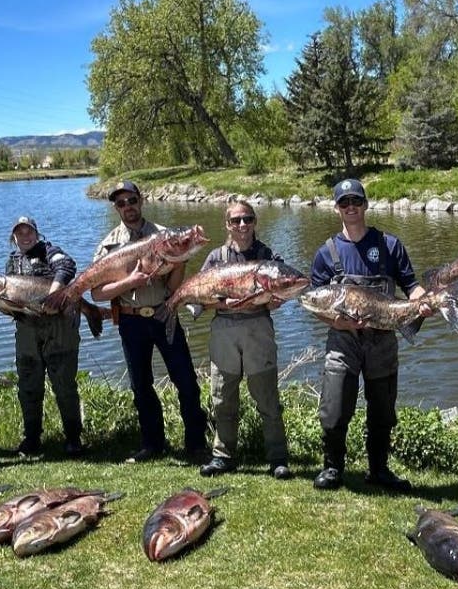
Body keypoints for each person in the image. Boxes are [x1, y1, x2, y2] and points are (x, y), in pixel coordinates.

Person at [310, 179, 432, 492]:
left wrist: (424, 302)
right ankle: (333, 467)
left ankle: (379, 469)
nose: (351, 207)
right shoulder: (326, 253)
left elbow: (412, 286)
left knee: (382, 410)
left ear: (365, 204)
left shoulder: (390, 245)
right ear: (336, 208)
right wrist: (335, 322)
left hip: (383, 339)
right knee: (334, 409)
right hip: (343, 341)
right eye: (344, 202)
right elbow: (314, 301)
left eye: (356, 201)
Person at [90, 181, 208, 463]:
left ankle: (196, 443)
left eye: (131, 200)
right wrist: (129, 282)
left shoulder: (164, 236)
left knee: (186, 381)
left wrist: (179, 262)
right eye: (121, 203)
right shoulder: (108, 245)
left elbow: (173, 288)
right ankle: (152, 445)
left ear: (141, 201)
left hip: (163, 315)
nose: (127, 207)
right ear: (116, 208)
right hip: (131, 323)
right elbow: (96, 294)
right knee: (141, 386)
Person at [197, 201, 292, 480]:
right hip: (224, 329)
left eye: (247, 219)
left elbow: (280, 297)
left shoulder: (268, 256)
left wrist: (275, 300)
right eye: (236, 220)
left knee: (267, 397)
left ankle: (277, 457)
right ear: (227, 225)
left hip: (258, 329)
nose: (242, 225)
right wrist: (220, 302)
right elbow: (201, 295)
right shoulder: (215, 257)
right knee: (222, 396)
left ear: (254, 221)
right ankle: (223, 456)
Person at [6, 216, 84, 457]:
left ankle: (73, 438)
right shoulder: (11, 265)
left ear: (36, 233)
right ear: (14, 238)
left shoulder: (50, 251)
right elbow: (10, 303)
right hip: (27, 331)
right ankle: (31, 438)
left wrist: (53, 294)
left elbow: (67, 266)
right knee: (28, 384)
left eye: (29, 231)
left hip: (58, 328)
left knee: (64, 384)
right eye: (20, 233)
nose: (25, 236)